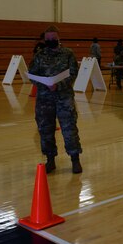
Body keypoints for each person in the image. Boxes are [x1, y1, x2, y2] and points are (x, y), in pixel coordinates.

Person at [28, 25, 82, 174]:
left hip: (64, 98)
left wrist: (58, 85)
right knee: (45, 130)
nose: (51, 41)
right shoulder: (39, 55)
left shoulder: (68, 54)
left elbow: (73, 73)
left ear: (59, 38)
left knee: (69, 129)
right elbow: (32, 74)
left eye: (54, 38)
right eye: (48, 39)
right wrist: (43, 83)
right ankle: (50, 160)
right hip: (44, 100)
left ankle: (75, 159)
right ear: (44, 39)